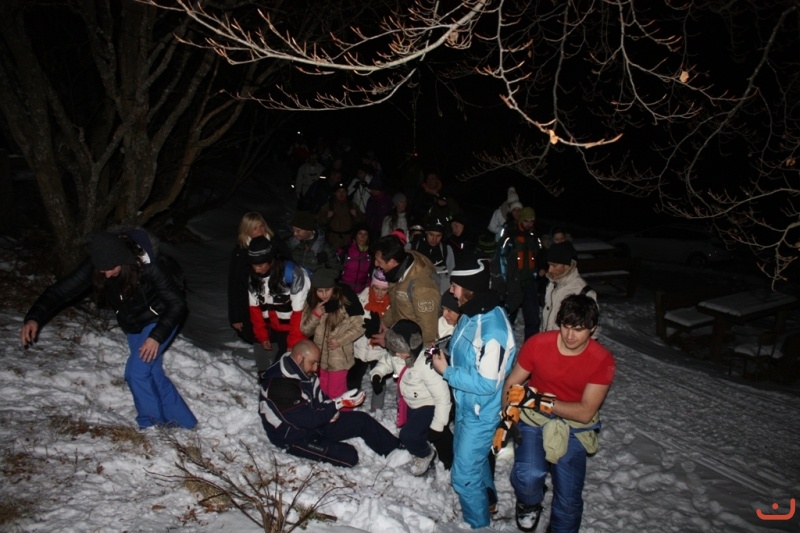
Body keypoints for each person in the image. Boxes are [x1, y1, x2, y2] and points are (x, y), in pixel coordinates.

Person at [20, 230, 197, 430]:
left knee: (136, 372)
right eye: (101, 270)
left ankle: (151, 426)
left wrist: (156, 336)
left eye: (111, 269)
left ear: (124, 260)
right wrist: (34, 317)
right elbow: (61, 290)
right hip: (134, 325)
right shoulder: (100, 262)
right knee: (152, 373)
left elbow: (177, 304)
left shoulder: (149, 267)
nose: (106, 275)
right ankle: (184, 422)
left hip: (161, 319)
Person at [501, 294, 615, 533]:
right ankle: (529, 502)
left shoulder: (601, 360)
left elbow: (585, 412)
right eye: (566, 326)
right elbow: (512, 382)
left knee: (568, 498)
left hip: (574, 424)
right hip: (534, 418)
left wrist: (539, 400)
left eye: (579, 329)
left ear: (593, 329)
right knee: (528, 476)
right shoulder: (538, 344)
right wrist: (507, 417)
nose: (570, 335)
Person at [430, 253, 517, 529]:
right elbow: (466, 353)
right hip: (466, 405)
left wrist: (447, 371)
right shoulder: (471, 312)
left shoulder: (494, 330)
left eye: (455, 286)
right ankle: (487, 500)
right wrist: (444, 354)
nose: (451, 290)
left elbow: (487, 383)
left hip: (482, 414)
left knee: (463, 477)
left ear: (469, 289)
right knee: (471, 462)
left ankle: (479, 525)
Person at [258, 340, 400, 468]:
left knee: (361, 420)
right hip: (293, 437)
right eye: (313, 363)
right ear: (299, 358)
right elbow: (307, 420)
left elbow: (320, 398)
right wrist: (337, 404)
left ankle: (396, 449)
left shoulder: (304, 371)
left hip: (315, 423)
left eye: (317, 363)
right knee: (349, 456)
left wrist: (332, 410)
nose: (316, 368)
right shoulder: (279, 385)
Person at [371, 320, 454, 474]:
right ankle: (429, 449)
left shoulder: (426, 364)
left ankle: (427, 455)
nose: (396, 354)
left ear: (413, 348)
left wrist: (438, 424)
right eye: (394, 350)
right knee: (418, 433)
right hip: (411, 402)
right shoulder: (398, 354)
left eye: (399, 350)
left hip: (429, 404)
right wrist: (377, 374)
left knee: (410, 434)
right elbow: (387, 361)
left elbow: (442, 397)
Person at [300, 269, 365, 400]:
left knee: (337, 395)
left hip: (339, 359)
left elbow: (360, 326)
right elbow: (305, 330)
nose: (324, 294)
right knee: (322, 393)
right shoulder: (311, 302)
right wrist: (315, 314)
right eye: (320, 291)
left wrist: (340, 340)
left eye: (327, 290)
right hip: (319, 359)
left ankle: (342, 413)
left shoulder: (345, 300)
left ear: (334, 287)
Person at [248, 236, 311, 370]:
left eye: (260, 265)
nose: (257, 270)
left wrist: (294, 340)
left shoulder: (292, 274)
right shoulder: (254, 279)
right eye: (253, 266)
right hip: (274, 329)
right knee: (275, 366)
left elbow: (300, 312)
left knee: (287, 366)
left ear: (270, 260)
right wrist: (262, 335)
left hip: (294, 329)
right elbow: (255, 310)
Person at [228, 212, 287, 345]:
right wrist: (235, 316)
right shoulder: (240, 252)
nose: (260, 231)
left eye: (261, 226)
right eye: (255, 228)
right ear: (247, 230)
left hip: (277, 302)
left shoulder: (276, 244)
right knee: (259, 337)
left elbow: (289, 267)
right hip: (250, 304)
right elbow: (234, 284)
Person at [373, 234, 441, 346]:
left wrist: (390, 342)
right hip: (399, 336)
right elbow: (398, 303)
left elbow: (428, 333)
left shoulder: (422, 288)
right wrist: (384, 322)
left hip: (411, 349)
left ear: (392, 262)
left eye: (379, 261)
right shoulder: (399, 266)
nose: (375, 264)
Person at [499, 206, 542, 339]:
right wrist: (505, 280)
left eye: (532, 221)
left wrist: (541, 268)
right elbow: (501, 257)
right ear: (521, 220)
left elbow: (539, 255)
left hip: (530, 281)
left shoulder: (534, 235)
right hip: (514, 281)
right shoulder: (511, 234)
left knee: (532, 317)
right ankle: (503, 341)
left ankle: (531, 344)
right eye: (526, 221)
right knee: (508, 315)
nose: (529, 224)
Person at [352, 268, 391, 407]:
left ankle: (377, 408)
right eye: (376, 288)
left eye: (384, 289)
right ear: (371, 285)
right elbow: (353, 322)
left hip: (380, 351)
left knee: (378, 380)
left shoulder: (393, 305)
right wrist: (364, 330)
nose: (379, 293)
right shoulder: (361, 299)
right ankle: (352, 403)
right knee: (353, 379)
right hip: (360, 348)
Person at [541, 242, 597, 332]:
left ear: (566, 265)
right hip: (548, 339)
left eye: (554, 265)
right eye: (549, 265)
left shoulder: (582, 291)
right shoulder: (552, 284)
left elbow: (591, 328)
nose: (550, 269)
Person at [287, 210, 341, 279]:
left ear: (309, 230)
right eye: (293, 230)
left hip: (314, 283)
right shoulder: (291, 244)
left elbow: (336, 269)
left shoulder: (324, 247)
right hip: (295, 281)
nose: (294, 233)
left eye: (298, 231)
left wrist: (319, 277)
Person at [410, 217, 455, 294]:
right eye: (431, 234)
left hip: (438, 290)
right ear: (426, 233)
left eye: (438, 236)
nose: (434, 239)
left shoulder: (446, 250)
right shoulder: (413, 246)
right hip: (416, 287)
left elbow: (452, 274)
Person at [317, 182, 364, 250]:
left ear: (346, 193)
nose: (341, 194)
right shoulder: (329, 205)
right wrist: (327, 217)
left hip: (348, 239)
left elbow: (362, 220)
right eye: (339, 191)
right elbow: (318, 221)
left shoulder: (352, 205)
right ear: (335, 193)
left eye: (343, 191)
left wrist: (356, 215)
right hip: (333, 240)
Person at [337, 224, 372, 294]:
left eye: (365, 234)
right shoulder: (344, 251)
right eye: (360, 233)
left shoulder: (371, 254)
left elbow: (371, 274)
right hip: (344, 290)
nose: (362, 237)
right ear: (355, 236)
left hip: (362, 292)